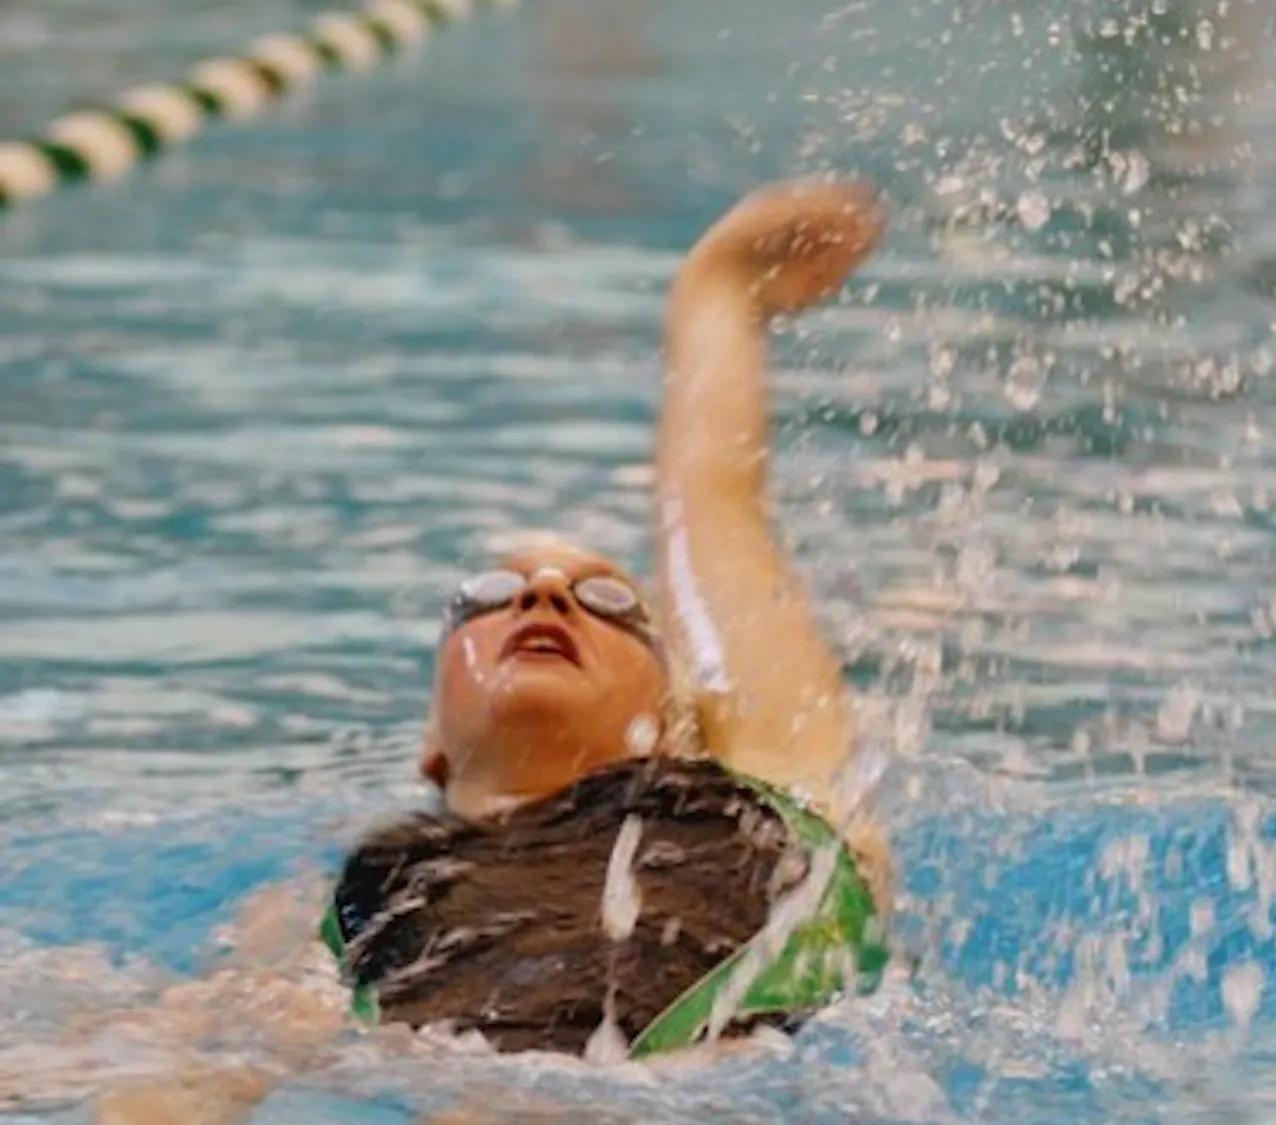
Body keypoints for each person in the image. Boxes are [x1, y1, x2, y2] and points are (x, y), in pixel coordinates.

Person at [86, 176, 892, 1124]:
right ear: (434, 739)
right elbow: (218, 1046)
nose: (545, 595)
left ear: (675, 717)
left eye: (603, 599)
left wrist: (714, 289)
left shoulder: (762, 788)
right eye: (490, 596)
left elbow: (711, 509)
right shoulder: (358, 895)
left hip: (691, 1091)